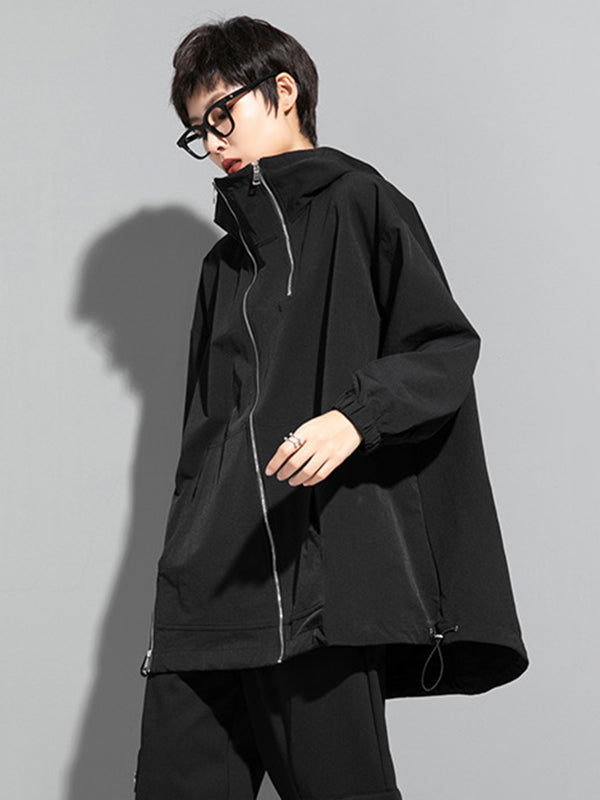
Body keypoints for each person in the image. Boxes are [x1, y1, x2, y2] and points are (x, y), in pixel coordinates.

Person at [133, 14, 529, 800]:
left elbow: (444, 349)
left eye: (221, 115)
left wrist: (355, 418)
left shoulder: (361, 203)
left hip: (314, 582)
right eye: (197, 131)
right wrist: (181, 555)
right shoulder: (223, 265)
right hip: (206, 587)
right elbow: (203, 437)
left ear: (283, 92)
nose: (212, 142)